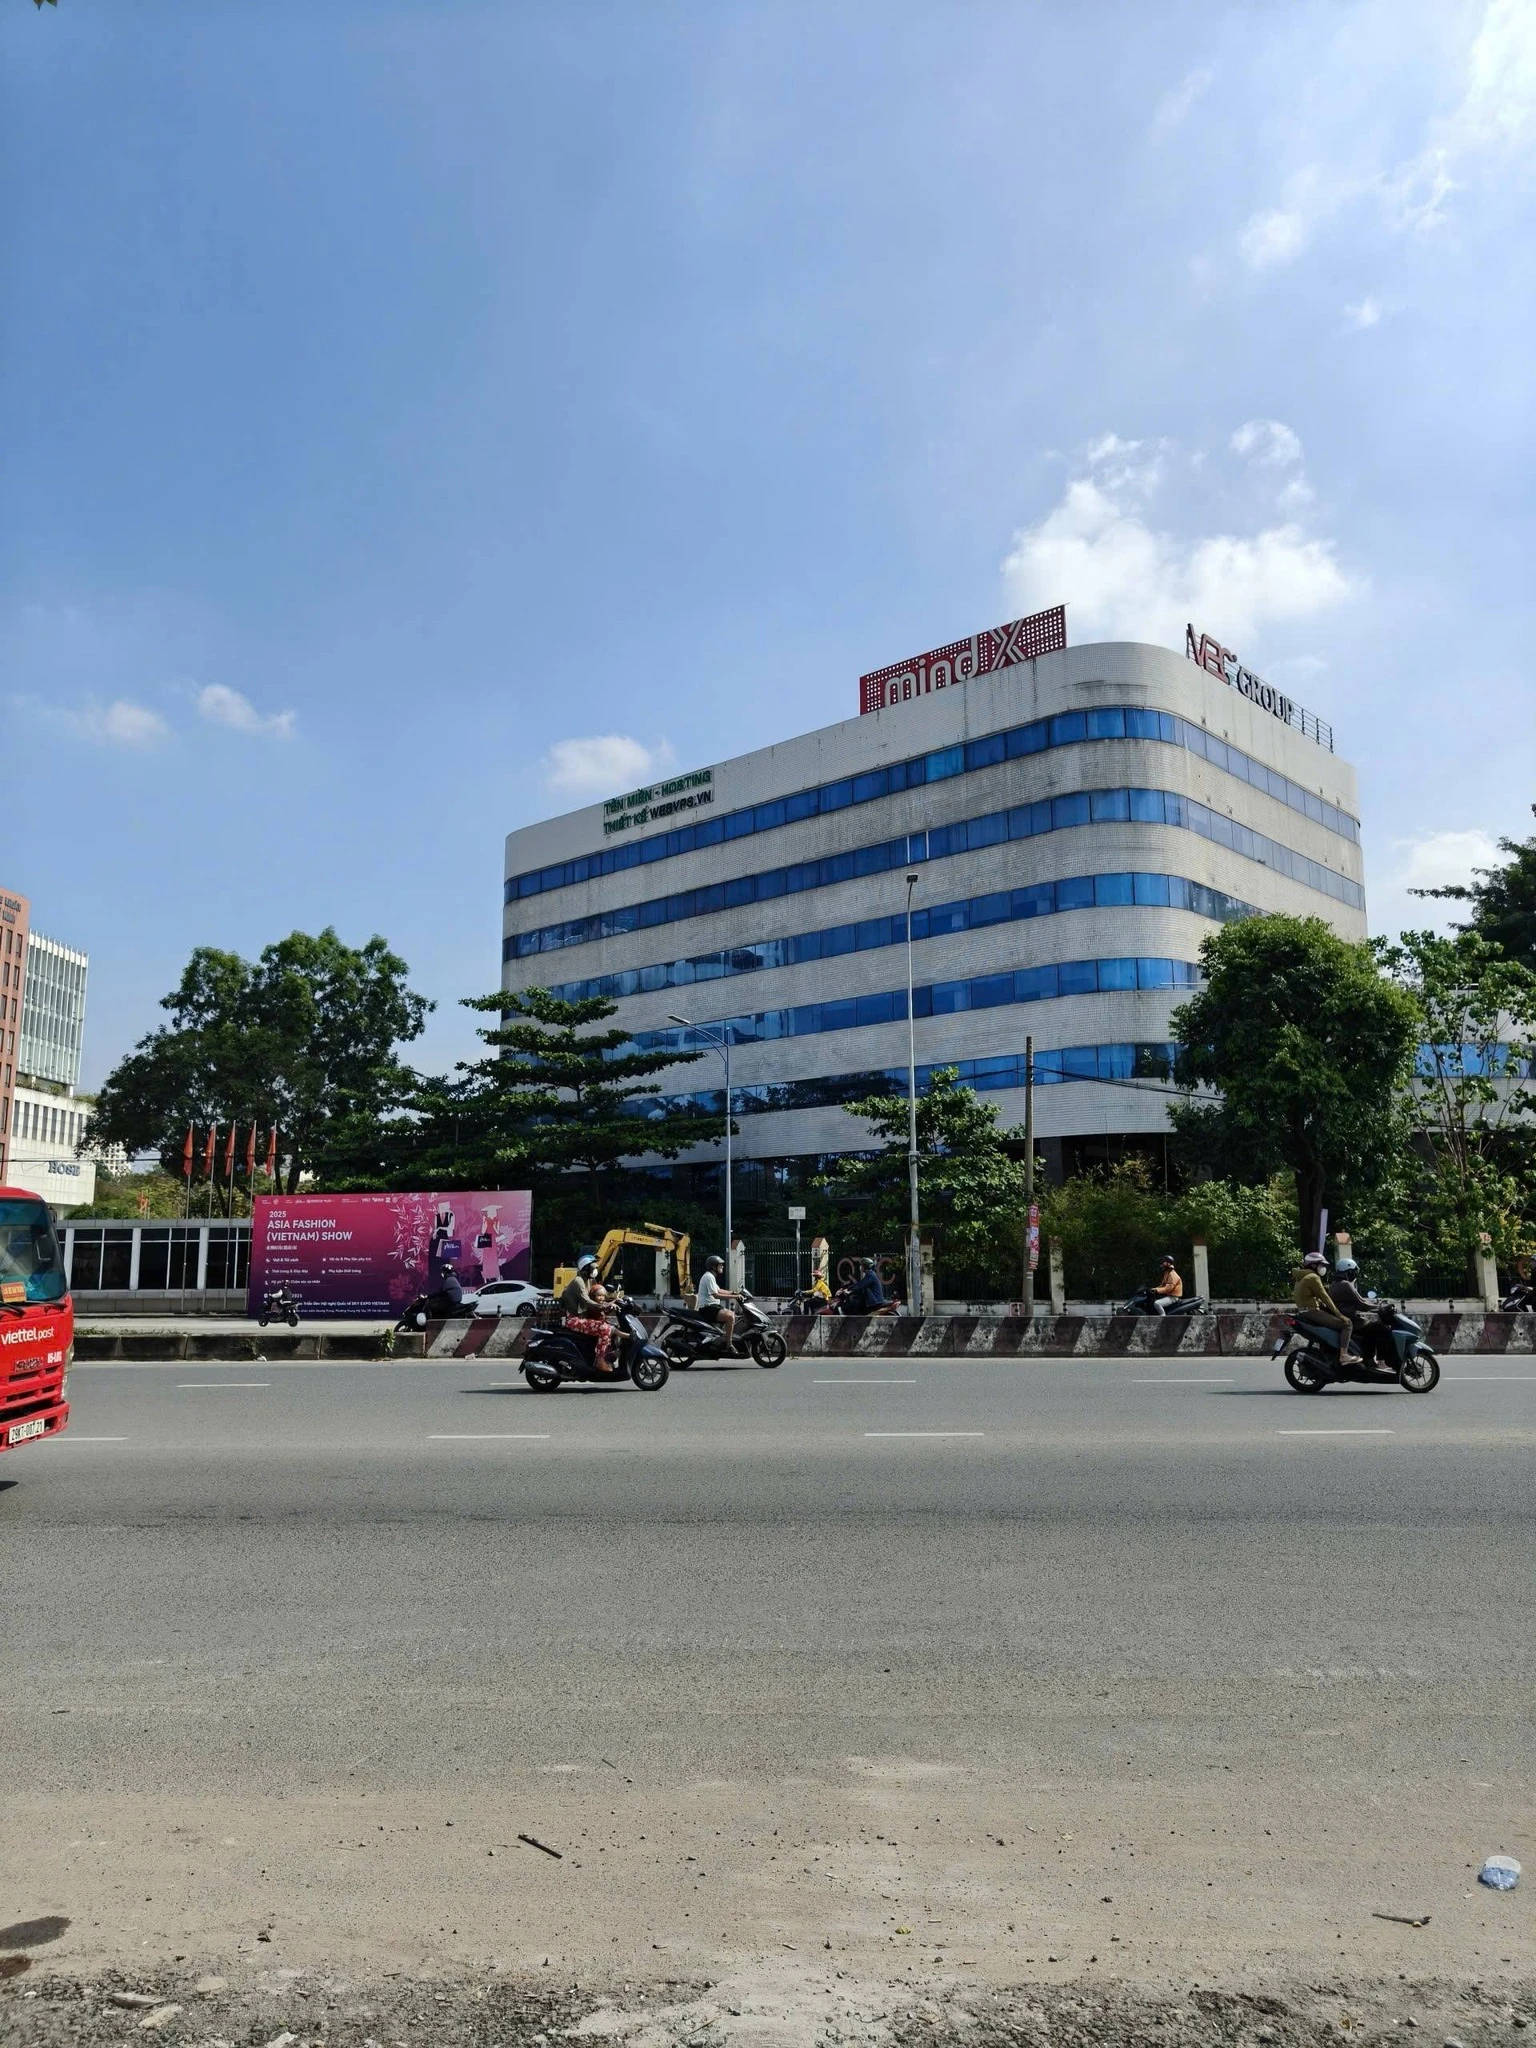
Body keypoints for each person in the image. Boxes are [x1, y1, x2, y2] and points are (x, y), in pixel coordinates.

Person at [1292, 1251, 1361, 1363]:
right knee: (1347, 1324)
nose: (1323, 1268)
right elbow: (1325, 1297)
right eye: (1321, 1265)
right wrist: (1339, 1315)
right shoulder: (1313, 1277)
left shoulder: (1300, 1277)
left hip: (1304, 1311)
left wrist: (1324, 1306)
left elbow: (1312, 1297)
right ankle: (1344, 1355)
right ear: (1313, 1265)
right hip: (1312, 1312)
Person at [1328, 1256, 1390, 1372]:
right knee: (1381, 1329)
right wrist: (1379, 1307)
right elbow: (1361, 1303)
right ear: (1349, 1271)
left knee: (1370, 1329)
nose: (1355, 1275)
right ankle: (1381, 1362)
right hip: (1351, 1320)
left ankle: (1368, 1359)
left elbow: (1358, 1301)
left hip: (1342, 1318)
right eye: (1353, 1272)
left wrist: (1372, 1304)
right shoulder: (1346, 1285)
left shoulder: (1334, 1285)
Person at [559, 1253, 615, 1372]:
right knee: (604, 1329)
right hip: (574, 1319)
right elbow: (587, 1301)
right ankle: (599, 1361)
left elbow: (597, 1293)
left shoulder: (589, 1280)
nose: (595, 1270)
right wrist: (604, 1306)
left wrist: (613, 1300)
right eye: (593, 1267)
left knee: (610, 1325)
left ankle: (606, 1354)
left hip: (582, 1317)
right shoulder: (578, 1281)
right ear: (586, 1268)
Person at [694, 1254, 737, 1347]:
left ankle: (722, 1337)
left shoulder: (711, 1276)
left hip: (713, 1307)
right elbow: (716, 1295)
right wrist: (735, 1297)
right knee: (730, 1317)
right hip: (708, 1308)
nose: (722, 1266)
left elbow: (719, 1290)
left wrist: (733, 1292)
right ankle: (729, 1344)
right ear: (714, 1267)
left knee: (732, 1314)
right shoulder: (709, 1277)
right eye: (720, 1265)